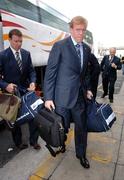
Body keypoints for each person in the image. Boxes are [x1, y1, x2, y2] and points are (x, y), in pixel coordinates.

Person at [43, 16, 93, 169]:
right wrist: (48, 97)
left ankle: (81, 154)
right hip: (62, 98)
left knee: (81, 127)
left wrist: (88, 88)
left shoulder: (86, 48)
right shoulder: (60, 46)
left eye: (83, 30)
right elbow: (50, 73)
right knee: (61, 127)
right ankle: (61, 144)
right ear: (71, 29)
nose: (80, 33)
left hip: (79, 98)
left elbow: (85, 73)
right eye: (77, 30)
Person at [0, 29, 41, 150]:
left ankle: (34, 141)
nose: (18, 44)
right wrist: (5, 85)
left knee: (34, 116)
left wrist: (33, 82)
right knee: (15, 118)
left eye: (21, 41)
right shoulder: (2, 56)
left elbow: (32, 71)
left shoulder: (26, 54)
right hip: (11, 92)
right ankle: (18, 143)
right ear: (9, 40)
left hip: (26, 90)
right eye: (16, 41)